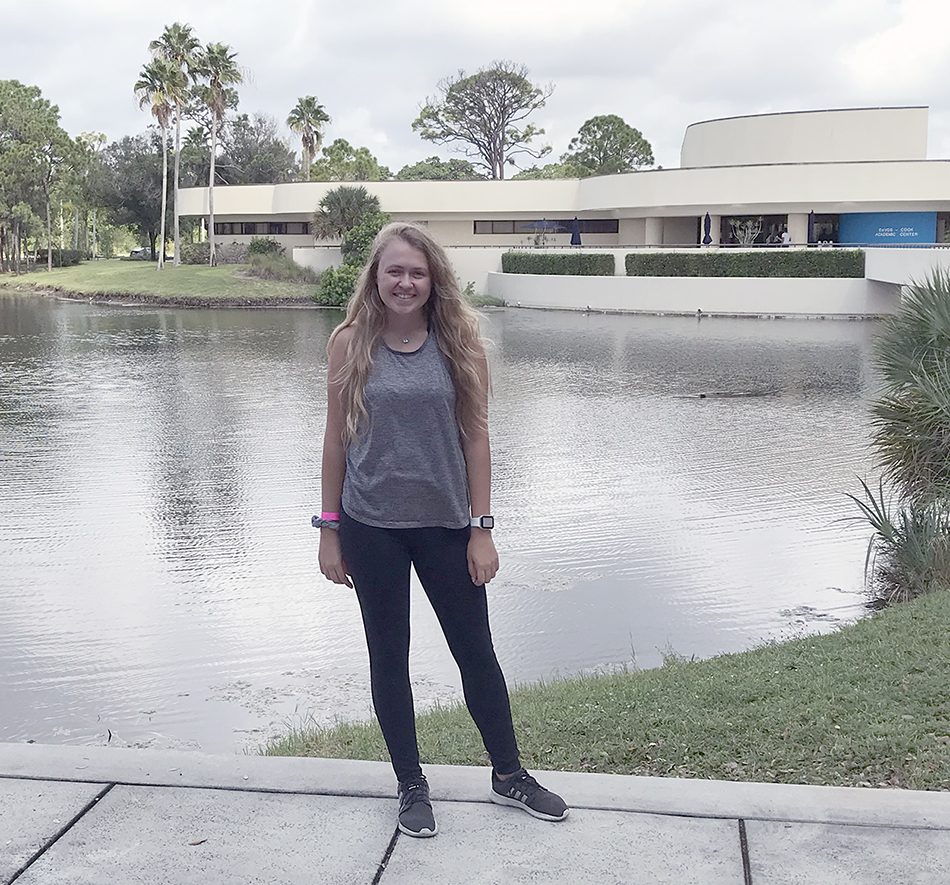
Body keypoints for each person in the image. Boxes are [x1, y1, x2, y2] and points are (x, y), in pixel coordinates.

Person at [315, 222, 568, 838]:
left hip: (446, 525)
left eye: (417, 273)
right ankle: (410, 784)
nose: (405, 282)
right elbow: (335, 439)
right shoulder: (349, 343)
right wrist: (329, 529)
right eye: (394, 271)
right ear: (375, 276)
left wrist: (482, 528)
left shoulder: (460, 345)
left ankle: (509, 775)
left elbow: (476, 439)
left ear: (434, 281)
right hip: (370, 525)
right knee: (389, 658)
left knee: (475, 653)